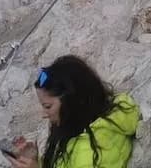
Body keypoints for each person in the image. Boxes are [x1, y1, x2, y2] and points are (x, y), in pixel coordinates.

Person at [10, 56, 139, 168]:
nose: (43, 114)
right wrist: (36, 161)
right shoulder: (104, 114)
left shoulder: (88, 154)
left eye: (48, 106)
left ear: (72, 102)